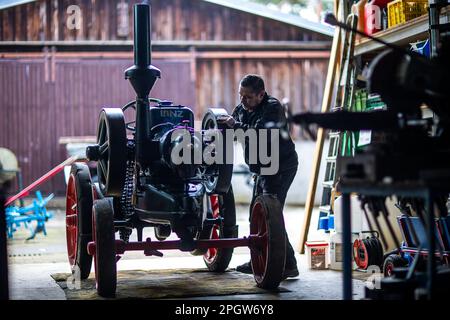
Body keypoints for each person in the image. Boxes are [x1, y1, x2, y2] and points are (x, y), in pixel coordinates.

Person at [218, 74, 299, 279]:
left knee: (270, 216)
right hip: (262, 168)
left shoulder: (273, 108)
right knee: (257, 215)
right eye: (240, 96)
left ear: (261, 94)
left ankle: (287, 265)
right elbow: (231, 129)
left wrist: (234, 125)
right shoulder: (242, 109)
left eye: (248, 97)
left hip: (280, 167)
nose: (243, 101)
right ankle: (259, 259)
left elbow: (257, 133)